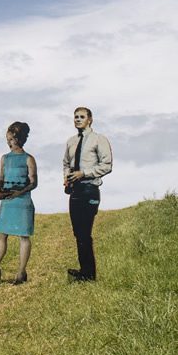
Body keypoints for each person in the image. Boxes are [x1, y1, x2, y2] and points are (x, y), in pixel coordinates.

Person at [63, 107, 112, 281]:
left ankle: (89, 274)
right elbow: (66, 163)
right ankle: (84, 271)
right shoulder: (70, 141)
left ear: (90, 119)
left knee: (85, 232)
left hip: (90, 190)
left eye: (82, 117)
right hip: (74, 191)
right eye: (75, 117)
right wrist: (67, 178)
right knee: (78, 233)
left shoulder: (99, 140)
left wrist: (84, 173)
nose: (78, 119)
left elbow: (107, 165)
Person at [0, 122, 38, 285]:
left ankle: (21, 273)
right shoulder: (4, 158)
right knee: (1, 235)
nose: (9, 142)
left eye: (12, 139)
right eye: (7, 139)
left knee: (23, 236)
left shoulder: (29, 159)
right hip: (7, 201)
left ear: (20, 139)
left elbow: (33, 183)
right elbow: (1, 178)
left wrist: (18, 193)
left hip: (22, 202)